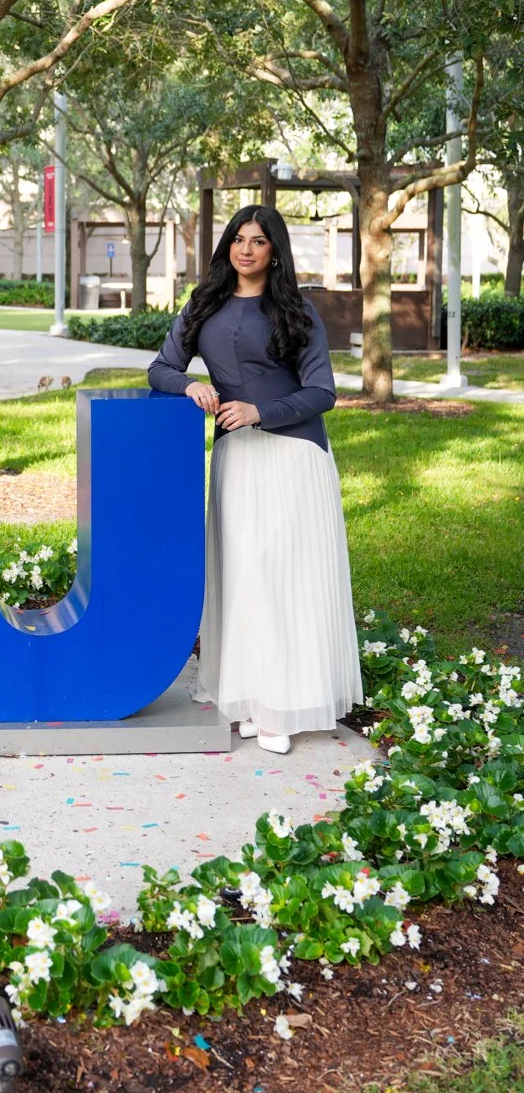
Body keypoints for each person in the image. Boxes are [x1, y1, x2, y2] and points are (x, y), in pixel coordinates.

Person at [147, 204, 361, 754]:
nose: (246, 249)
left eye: (258, 241)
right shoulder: (204, 304)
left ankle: (279, 709)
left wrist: (260, 412)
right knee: (242, 576)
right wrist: (189, 386)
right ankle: (245, 698)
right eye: (238, 239)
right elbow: (161, 367)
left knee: (276, 574)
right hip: (236, 458)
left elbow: (323, 393)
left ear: (275, 250)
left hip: (292, 456)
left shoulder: (297, 310)